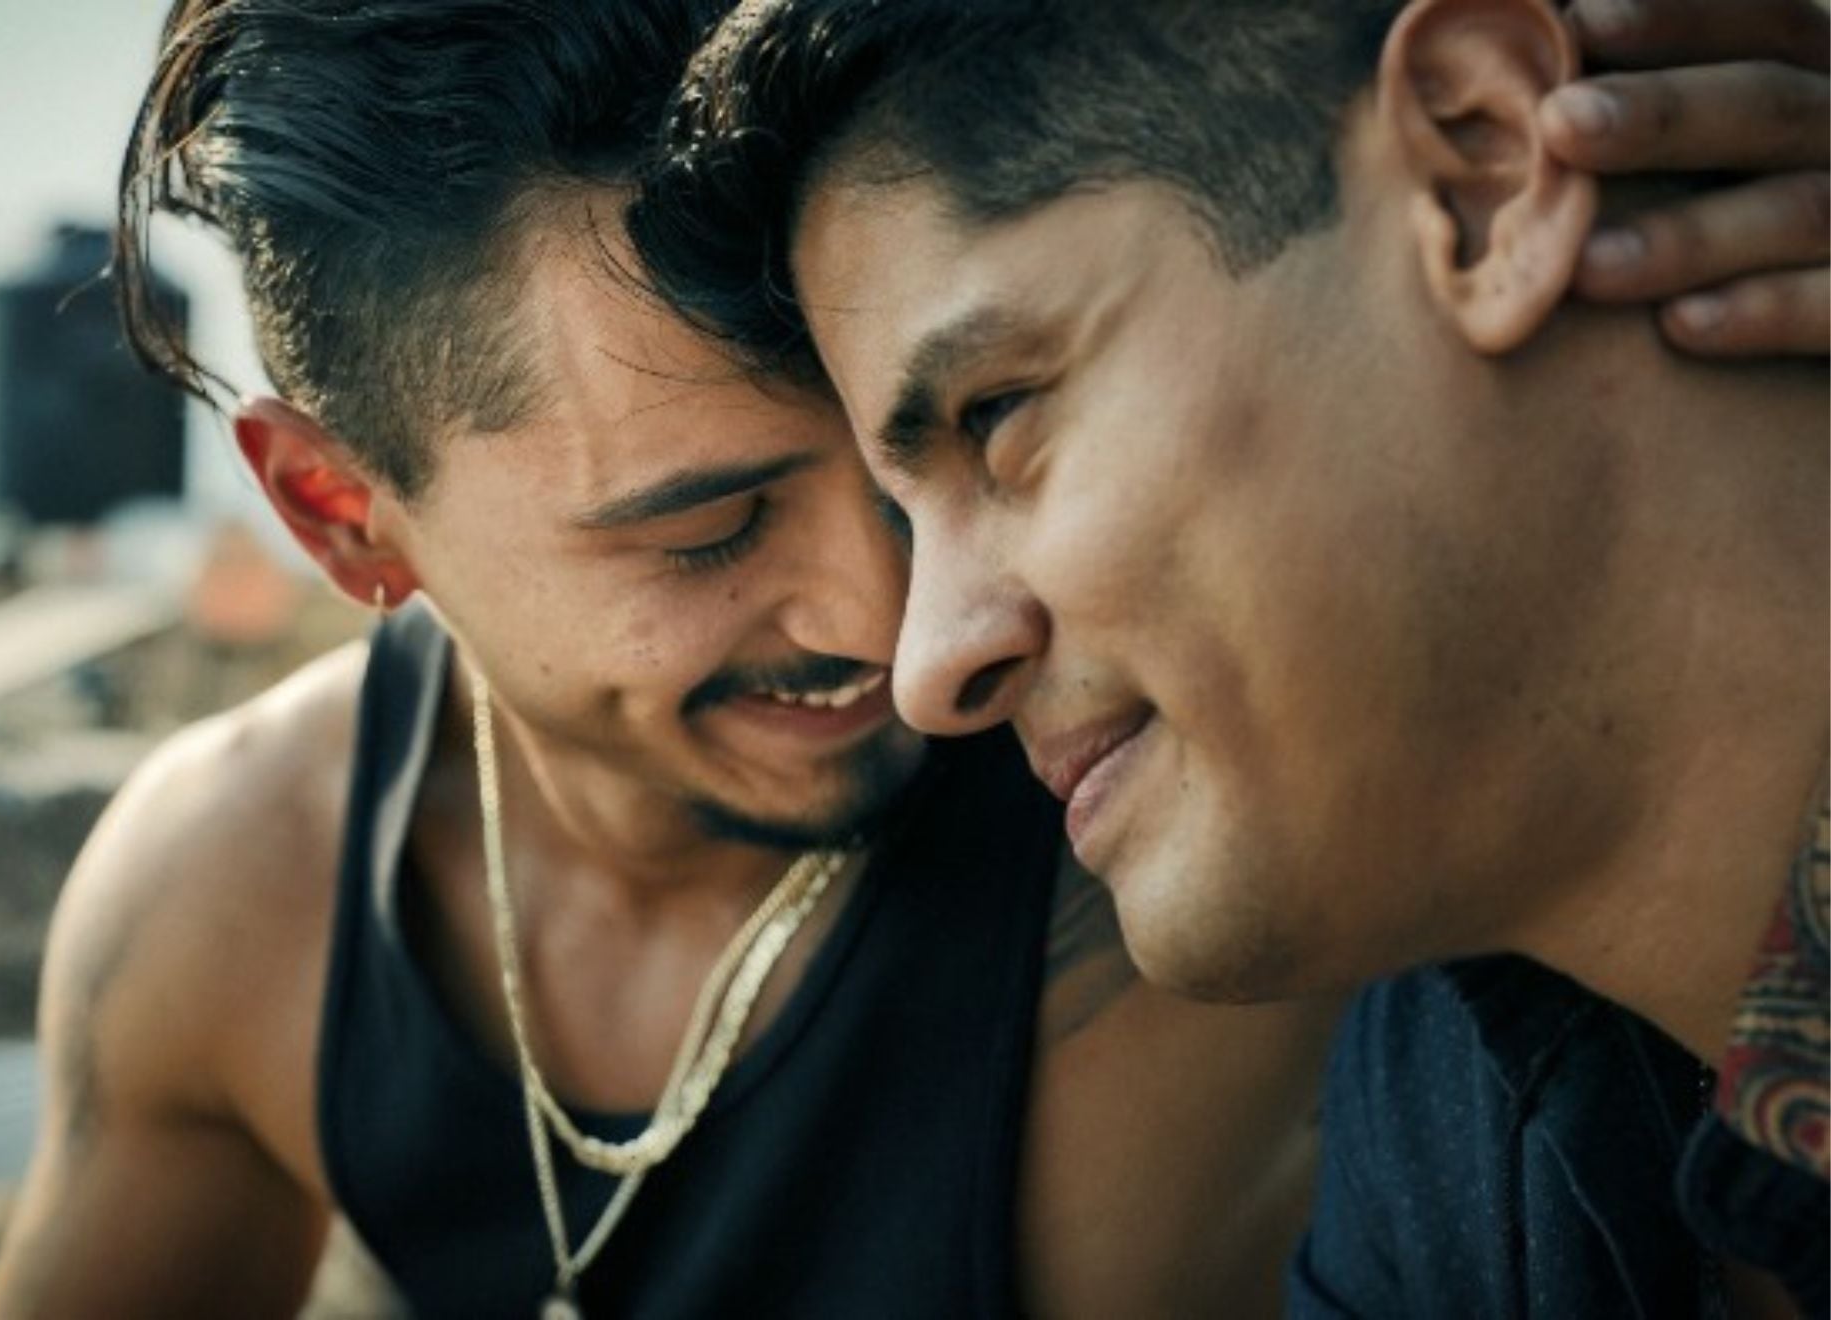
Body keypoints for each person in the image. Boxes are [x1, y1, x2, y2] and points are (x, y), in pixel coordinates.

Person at [0, 4, 1338, 1316]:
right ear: (342, 513)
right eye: (710, 531)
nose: (894, 625)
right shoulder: (242, 898)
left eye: (919, 452)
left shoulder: (1171, 862)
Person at [627, 0, 1827, 1314]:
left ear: (1482, 170)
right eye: (909, 520)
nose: (925, 665)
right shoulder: (1441, 1126)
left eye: (1000, 415)